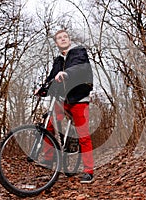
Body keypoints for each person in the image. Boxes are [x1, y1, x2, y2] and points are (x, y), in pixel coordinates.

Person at [35, 29, 94, 183]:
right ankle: (49, 160)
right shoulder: (58, 61)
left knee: (83, 134)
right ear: (56, 43)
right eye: (59, 38)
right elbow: (51, 78)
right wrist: (43, 90)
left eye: (65, 37)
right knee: (48, 126)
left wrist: (66, 73)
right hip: (63, 99)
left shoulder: (78, 52)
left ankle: (88, 171)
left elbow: (80, 68)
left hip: (79, 97)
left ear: (69, 39)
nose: (63, 39)